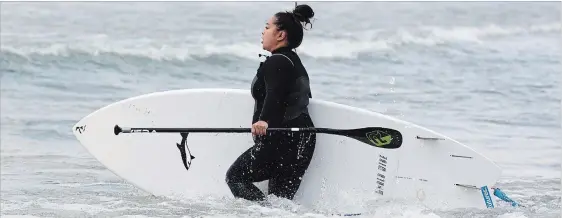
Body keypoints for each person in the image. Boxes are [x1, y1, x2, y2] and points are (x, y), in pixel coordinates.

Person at [225, 4, 317, 203]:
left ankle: (262, 213)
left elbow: (275, 94)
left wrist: (264, 120)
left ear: (280, 34)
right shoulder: (291, 60)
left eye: (267, 27)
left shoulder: (277, 61)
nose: (263, 31)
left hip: (282, 139)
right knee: (279, 202)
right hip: (301, 140)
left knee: (235, 177)